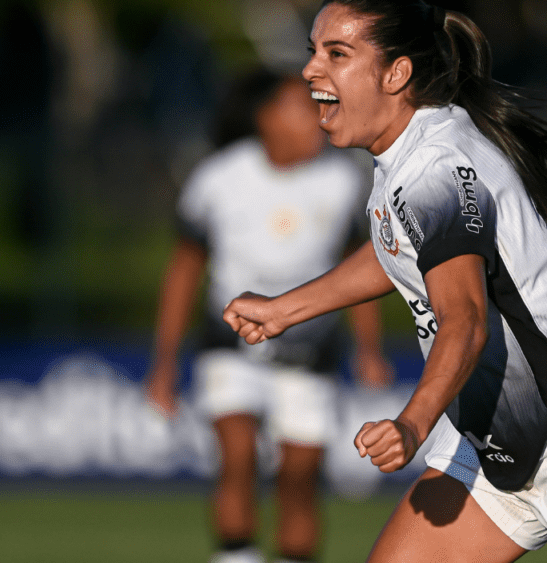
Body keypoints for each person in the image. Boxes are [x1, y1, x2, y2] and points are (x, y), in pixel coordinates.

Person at [222, 0, 547, 563]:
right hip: (492, 447)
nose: (311, 71)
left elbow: (464, 319)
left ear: (395, 75)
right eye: (313, 51)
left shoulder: (434, 168)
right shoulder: (409, 152)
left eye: (336, 55)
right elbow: (401, 249)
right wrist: (284, 309)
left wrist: (411, 424)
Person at [145, 68, 393, 563]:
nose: (318, 121)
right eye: (302, 109)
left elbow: (361, 271)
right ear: (266, 119)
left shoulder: (342, 180)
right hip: (229, 341)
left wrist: (369, 350)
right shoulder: (218, 179)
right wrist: (165, 361)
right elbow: (184, 271)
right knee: (236, 458)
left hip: (312, 345)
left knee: (299, 478)